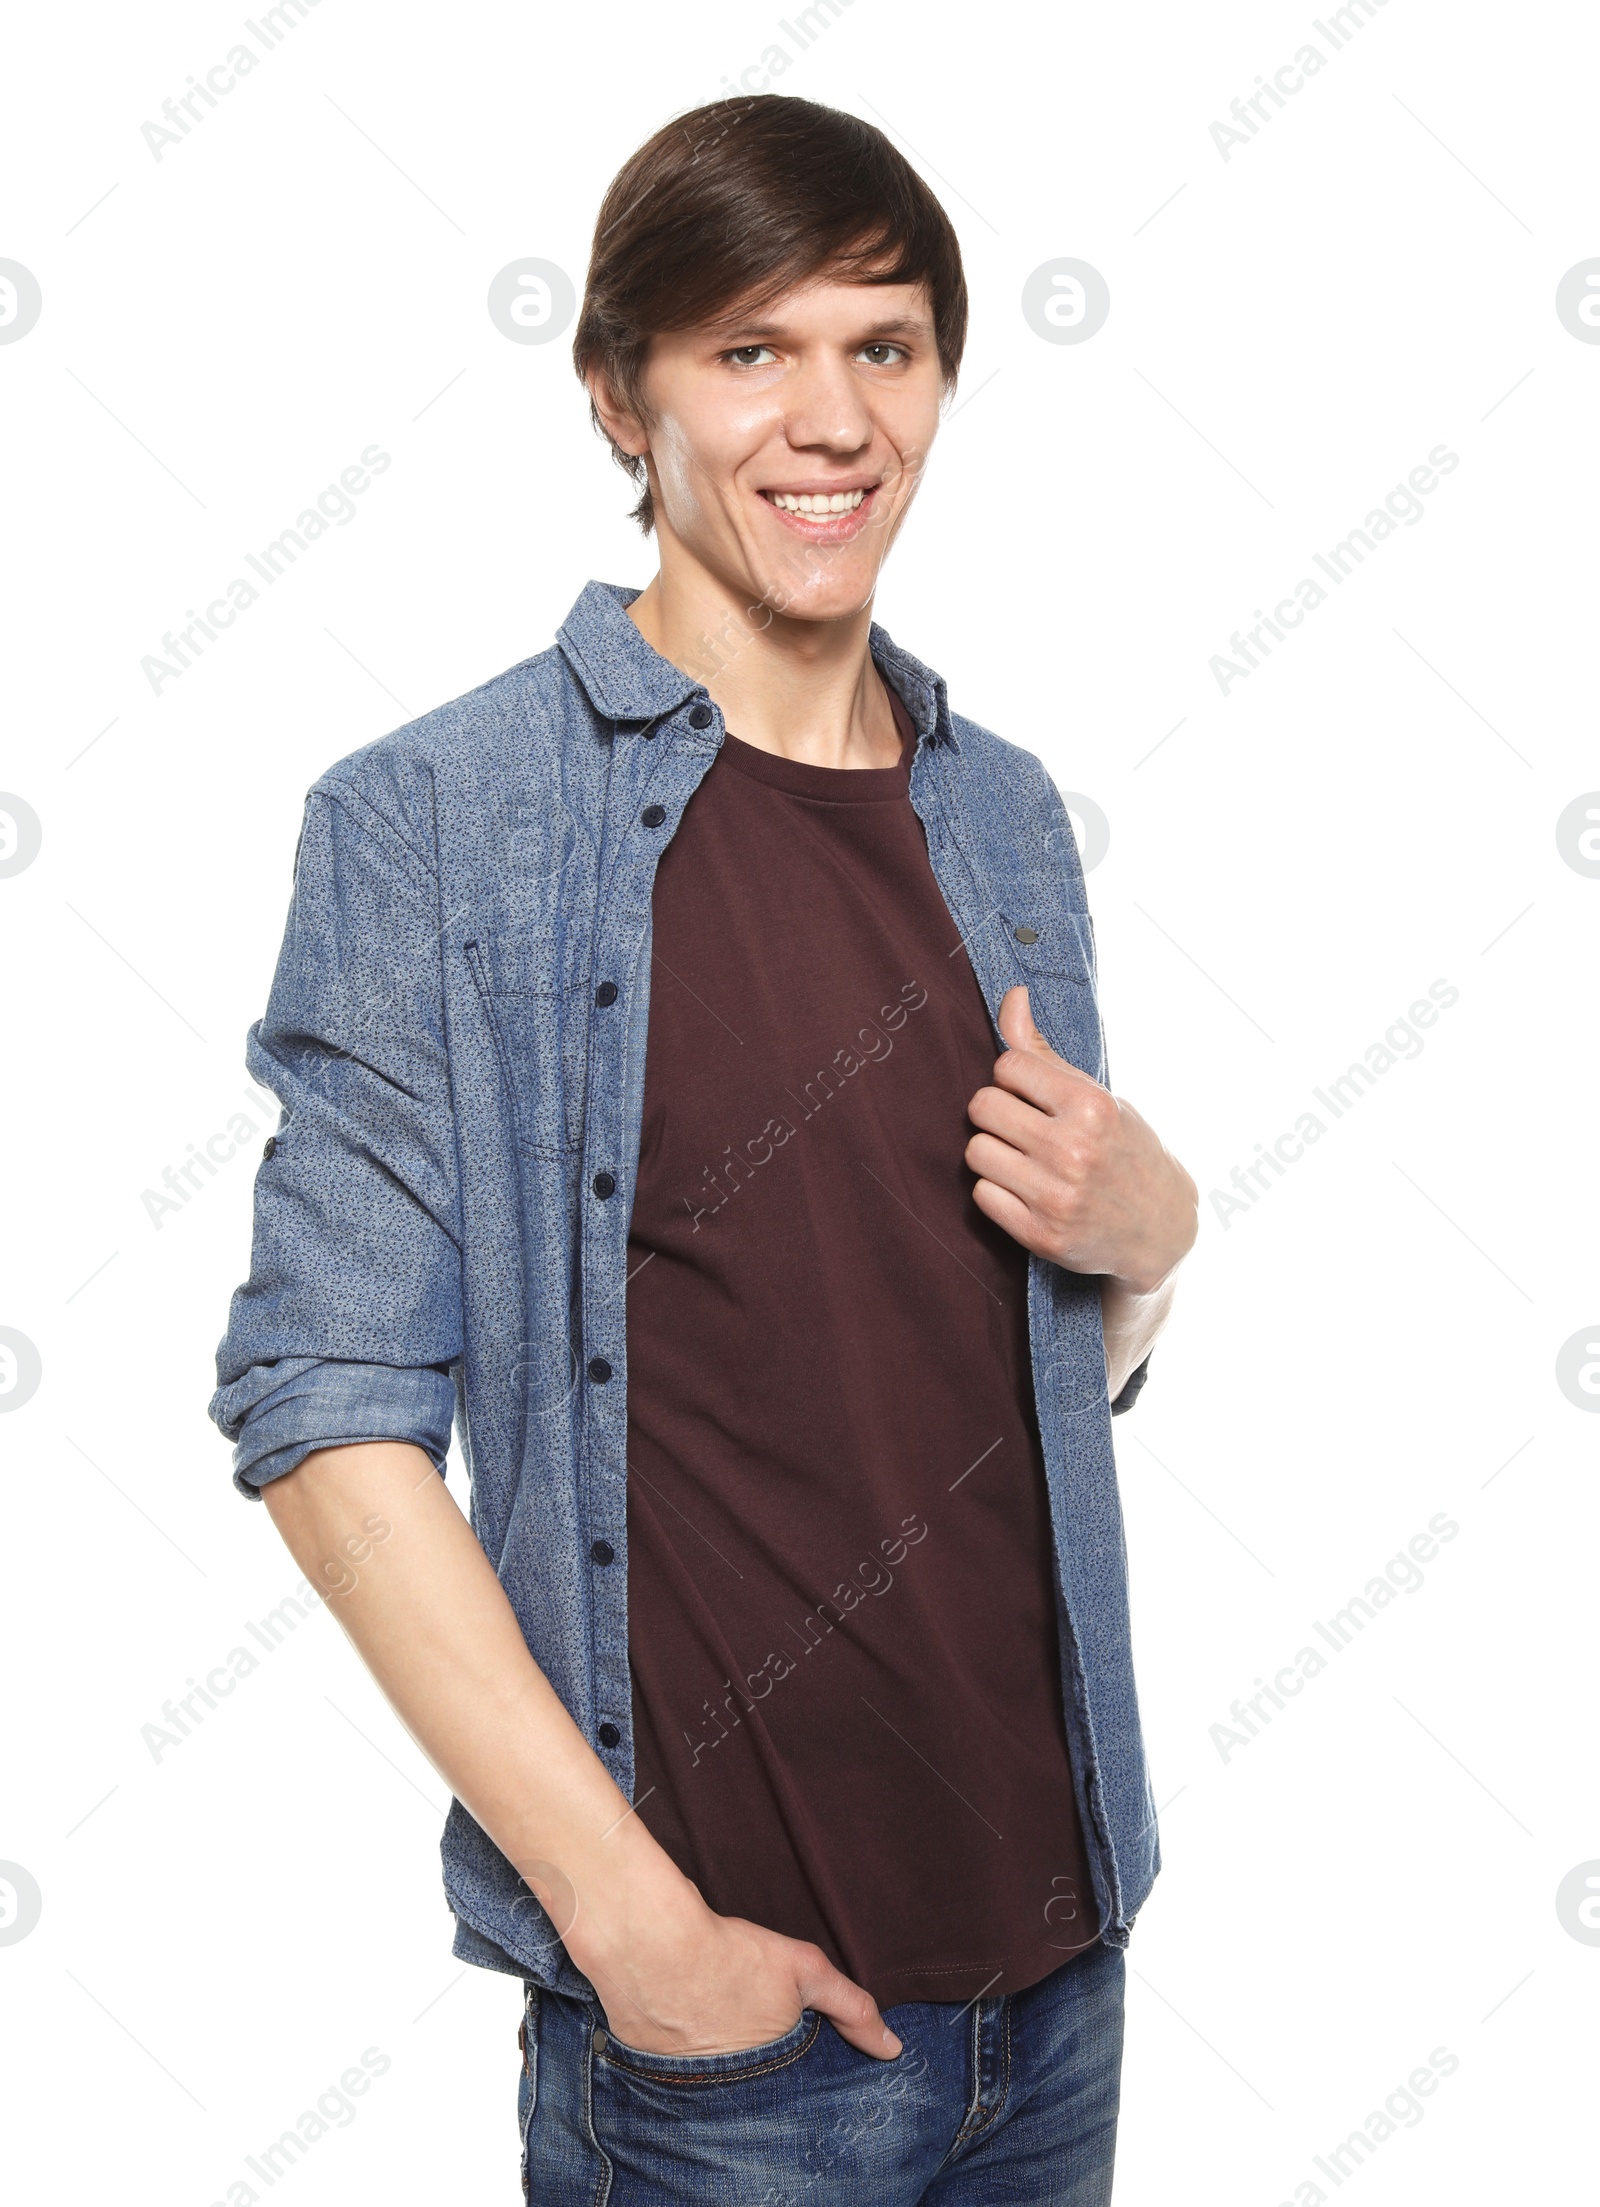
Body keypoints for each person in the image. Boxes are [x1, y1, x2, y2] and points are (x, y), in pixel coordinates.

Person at [210, 93, 1198, 2205]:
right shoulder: (438, 826)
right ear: (613, 391)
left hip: (1056, 1983)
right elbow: (325, 1410)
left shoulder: (1002, 813)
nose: (828, 418)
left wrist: (1145, 1248)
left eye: (886, 345)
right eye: (748, 350)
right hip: (726, 2060)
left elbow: (986, 1370)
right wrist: (634, 1936)